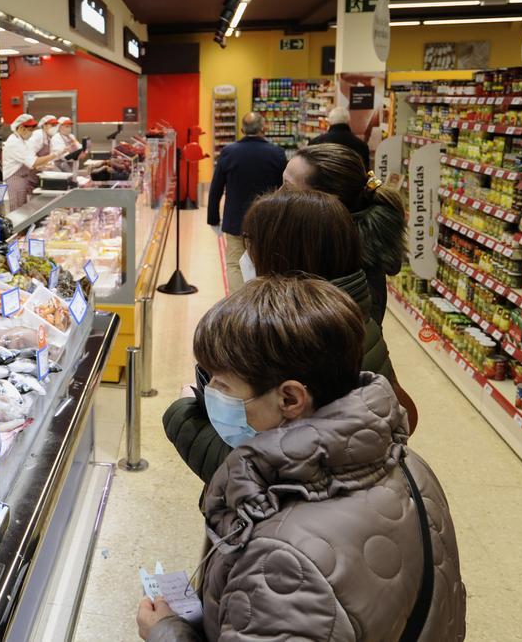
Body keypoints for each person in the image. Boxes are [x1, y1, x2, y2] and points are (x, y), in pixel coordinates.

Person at [139, 276, 466, 642]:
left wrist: (166, 632)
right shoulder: (410, 466)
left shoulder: (279, 561)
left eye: (221, 385)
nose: (209, 393)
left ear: (291, 399)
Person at [164, 186, 420, 485]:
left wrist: (184, 419)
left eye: (251, 243)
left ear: (283, 250)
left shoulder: (309, 337)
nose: (246, 255)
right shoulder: (349, 311)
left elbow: (281, 478)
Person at [284, 142, 405, 322]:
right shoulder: (320, 239)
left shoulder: (350, 267)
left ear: (329, 199)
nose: (279, 195)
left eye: (287, 187)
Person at [206, 112, 286, 292]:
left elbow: (216, 188)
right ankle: (259, 301)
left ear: (242, 129)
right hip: (266, 221)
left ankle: (238, 306)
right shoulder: (277, 154)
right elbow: (285, 188)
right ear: (263, 128)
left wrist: (213, 219)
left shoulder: (228, 152)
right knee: (264, 262)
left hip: (236, 222)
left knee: (234, 264)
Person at [2, 113, 64, 200]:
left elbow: (30, 160)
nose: (31, 133)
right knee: (16, 210)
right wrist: (55, 154)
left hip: (22, 178)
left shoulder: (21, 141)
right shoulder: (14, 143)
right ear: (21, 128)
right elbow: (33, 161)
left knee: (22, 209)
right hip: (15, 180)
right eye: (30, 130)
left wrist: (41, 165)